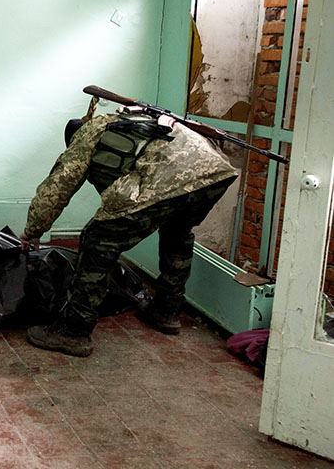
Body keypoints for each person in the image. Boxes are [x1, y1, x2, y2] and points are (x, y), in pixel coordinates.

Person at [20, 105, 238, 357]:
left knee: (98, 240)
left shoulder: (88, 134)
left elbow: (59, 185)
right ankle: (167, 311)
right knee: (177, 232)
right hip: (214, 173)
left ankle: (74, 331)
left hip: (173, 176)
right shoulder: (130, 120)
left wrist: (33, 229)